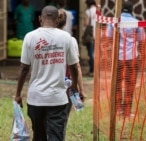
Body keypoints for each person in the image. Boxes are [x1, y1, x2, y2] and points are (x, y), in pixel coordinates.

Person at [14, 5, 84, 141]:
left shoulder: (30, 37)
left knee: (39, 135)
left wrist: (18, 94)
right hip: (58, 98)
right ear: (58, 20)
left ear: (40, 19)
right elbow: (74, 66)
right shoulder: (66, 38)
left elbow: (23, 68)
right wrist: (74, 86)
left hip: (35, 98)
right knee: (56, 136)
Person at [106, 1, 145, 118]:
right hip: (132, 57)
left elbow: (109, 38)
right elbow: (141, 40)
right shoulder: (137, 23)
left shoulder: (114, 22)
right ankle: (127, 111)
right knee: (130, 84)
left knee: (117, 83)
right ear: (132, 10)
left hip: (117, 57)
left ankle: (118, 109)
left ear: (120, 9)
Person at [57, 9, 86, 139]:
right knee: (62, 119)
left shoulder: (42, 38)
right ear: (65, 22)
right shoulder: (70, 40)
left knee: (48, 119)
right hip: (66, 85)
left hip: (48, 84)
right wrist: (81, 89)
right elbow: (76, 66)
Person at [83, 0, 97, 76]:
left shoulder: (88, 11)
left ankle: (92, 70)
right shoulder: (98, 11)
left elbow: (86, 23)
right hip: (97, 34)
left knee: (90, 53)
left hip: (90, 35)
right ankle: (95, 70)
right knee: (95, 53)